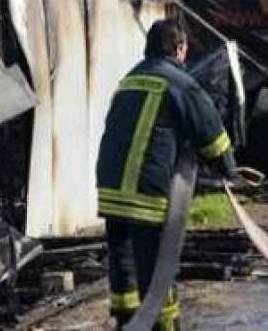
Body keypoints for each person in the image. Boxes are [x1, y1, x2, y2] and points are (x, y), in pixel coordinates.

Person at [96, 18, 238, 331]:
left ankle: (126, 321)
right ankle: (163, 326)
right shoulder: (179, 82)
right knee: (156, 270)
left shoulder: (130, 79)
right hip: (146, 190)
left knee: (123, 263)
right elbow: (212, 135)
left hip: (110, 187)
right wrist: (228, 169)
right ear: (179, 48)